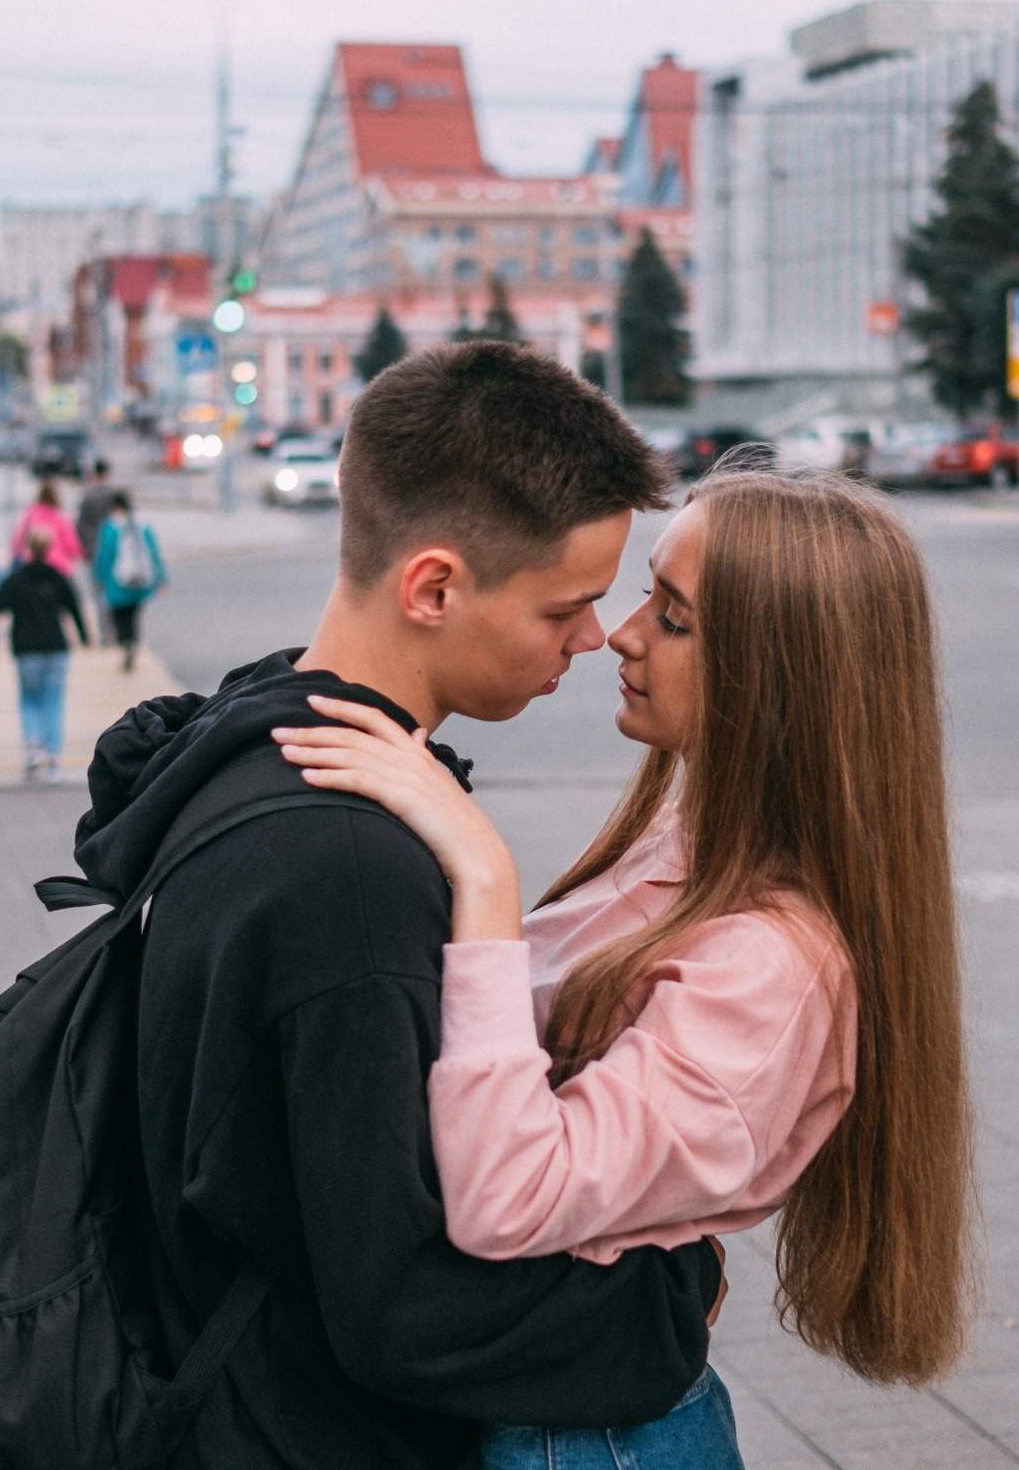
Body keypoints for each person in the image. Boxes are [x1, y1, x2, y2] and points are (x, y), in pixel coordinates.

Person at [72, 342, 719, 1470]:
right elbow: (408, 1302)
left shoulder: (253, 743)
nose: (591, 637)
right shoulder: (351, 873)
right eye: (565, 606)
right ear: (432, 587)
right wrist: (674, 1285)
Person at [275, 466, 975, 1468]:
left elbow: (509, 1198)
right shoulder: (690, 847)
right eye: (647, 590)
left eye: (675, 617)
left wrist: (480, 878)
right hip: (542, 1403)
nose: (619, 633)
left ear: (779, 677)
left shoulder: (772, 970)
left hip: (588, 1442)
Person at [0, 526, 88, 783]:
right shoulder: (57, 577)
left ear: (27, 547)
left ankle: (33, 750)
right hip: (57, 647)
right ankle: (54, 758)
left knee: (29, 700)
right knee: (54, 701)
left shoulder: (16, 578)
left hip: (26, 649)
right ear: (48, 548)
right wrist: (84, 636)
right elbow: (74, 607)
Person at [93, 491, 165, 672]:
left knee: (119, 617)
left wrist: (98, 578)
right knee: (134, 617)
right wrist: (161, 578)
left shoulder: (111, 527)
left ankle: (125, 645)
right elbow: (154, 553)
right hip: (141, 582)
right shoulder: (143, 524)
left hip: (117, 581)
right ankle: (133, 643)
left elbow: (105, 556)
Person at [9, 479, 82, 573]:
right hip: (57, 567)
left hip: (32, 564)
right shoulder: (60, 518)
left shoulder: (29, 514)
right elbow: (73, 547)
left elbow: (17, 543)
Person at [73, 456, 119, 565]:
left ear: (94, 473)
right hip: (113, 546)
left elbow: (81, 525)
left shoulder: (88, 496)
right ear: (107, 474)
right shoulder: (114, 496)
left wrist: (85, 546)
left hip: (93, 545)